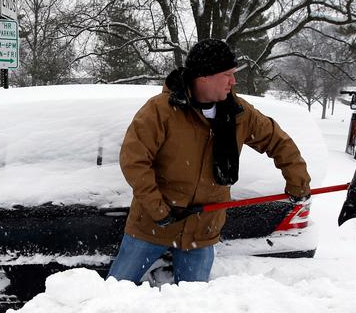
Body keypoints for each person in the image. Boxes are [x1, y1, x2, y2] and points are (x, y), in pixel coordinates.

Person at [107, 38, 312, 284]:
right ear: (204, 76)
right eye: (227, 74)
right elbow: (134, 160)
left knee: (196, 302)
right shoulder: (161, 110)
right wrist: (158, 209)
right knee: (114, 293)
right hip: (151, 226)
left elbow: (279, 142)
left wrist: (298, 182)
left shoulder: (238, 112)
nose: (233, 81)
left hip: (202, 230)